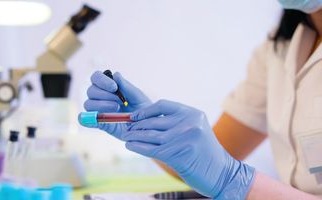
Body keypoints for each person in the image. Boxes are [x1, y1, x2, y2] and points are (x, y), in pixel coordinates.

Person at [81, 0, 322, 199]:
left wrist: (233, 180)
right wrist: (148, 129)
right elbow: (201, 161)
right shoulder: (280, 47)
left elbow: (221, 173)